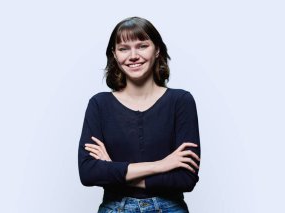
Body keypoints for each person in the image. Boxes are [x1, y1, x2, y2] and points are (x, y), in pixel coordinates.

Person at [78, 16, 201, 213]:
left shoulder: (181, 101)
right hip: (115, 208)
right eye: (123, 48)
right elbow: (88, 173)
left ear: (157, 49)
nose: (133, 56)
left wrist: (115, 171)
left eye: (142, 46)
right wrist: (161, 165)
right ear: (114, 54)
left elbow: (185, 179)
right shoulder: (99, 104)